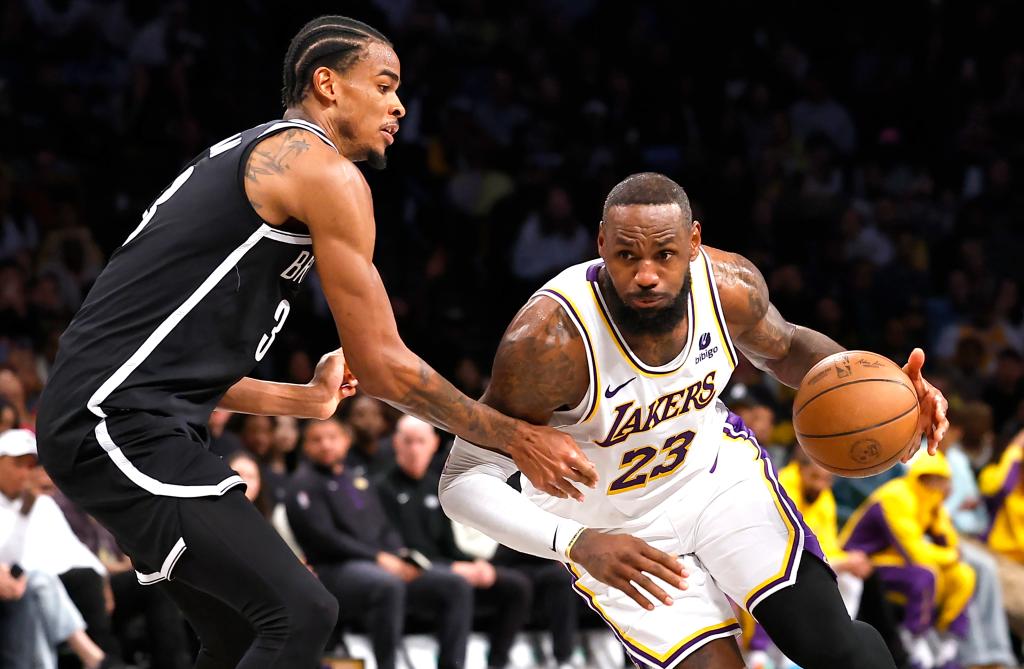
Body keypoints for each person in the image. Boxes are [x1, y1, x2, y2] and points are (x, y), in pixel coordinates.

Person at [32, 15, 593, 668]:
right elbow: (384, 366)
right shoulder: (318, 169)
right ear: (327, 84)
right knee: (302, 610)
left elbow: (164, 360)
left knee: (242, 632)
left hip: (117, 412)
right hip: (115, 422)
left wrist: (304, 400)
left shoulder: (253, 158)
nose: (399, 104)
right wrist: (516, 436)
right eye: (384, 85)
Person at [440, 173, 949, 669]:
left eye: (664, 254)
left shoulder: (728, 287)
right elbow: (462, 481)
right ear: (600, 243)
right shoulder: (549, 341)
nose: (645, 274)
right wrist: (574, 543)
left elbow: (789, 347)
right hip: (611, 528)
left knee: (832, 646)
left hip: (714, 481)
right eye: (626, 255)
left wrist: (888, 393)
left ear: (694, 241)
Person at [287, 418, 472, 669]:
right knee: (388, 585)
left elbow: (384, 526)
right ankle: (388, 665)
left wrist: (399, 555)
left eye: (332, 437)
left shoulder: (357, 479)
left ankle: (453, 665)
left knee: (455, 585)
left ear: (346, 441)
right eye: (317, 440)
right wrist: (379, 558)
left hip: (380, 564)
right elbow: (326, 538)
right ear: (305, 446)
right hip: (334, 570)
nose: (326, 444)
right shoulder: (303, 484)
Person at [378, 415, 532, 669]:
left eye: (420, 442)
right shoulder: (383, 488)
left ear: (434, 444)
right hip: (410, 574)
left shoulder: (437, 487)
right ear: (396, 443)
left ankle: (497, 662)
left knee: (516, 585)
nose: (414, 449)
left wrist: (473, 564)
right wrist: (453, 568)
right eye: (408, 442)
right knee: (456, 584)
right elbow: (398, 547)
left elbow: (448, 542)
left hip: (445, 568)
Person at [840, 452, 976, 669]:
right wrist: (950, 556)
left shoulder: (931, 499)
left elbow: (951, 545)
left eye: (942, 480)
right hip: (862, 561)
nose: (939, 484)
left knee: (963, 575)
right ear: (920, 476)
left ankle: (947, 645)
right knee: (926, 574)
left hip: (893, 561)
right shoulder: (897, 496)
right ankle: (914, 644)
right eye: (933, 477)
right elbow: (914, 553)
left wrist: (939, 519)